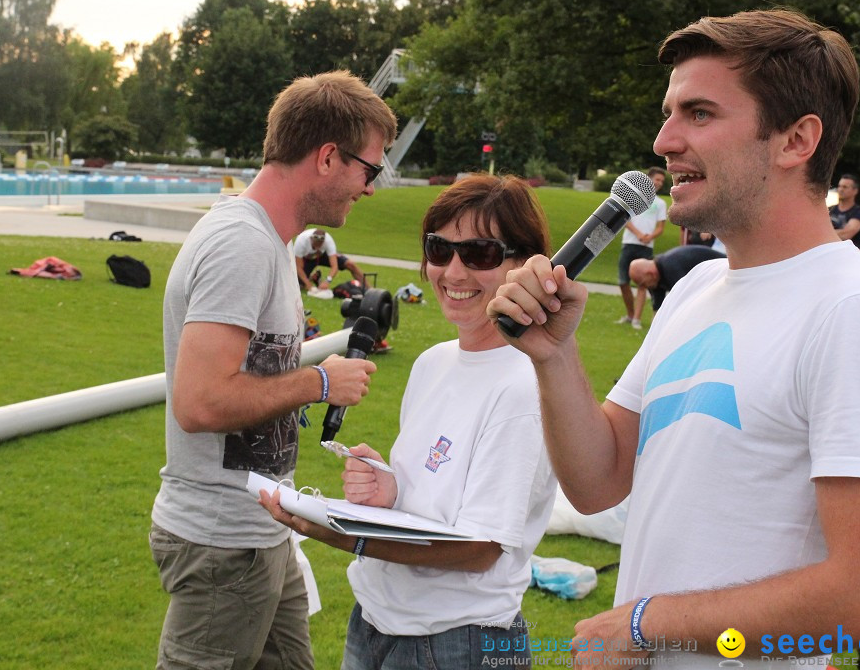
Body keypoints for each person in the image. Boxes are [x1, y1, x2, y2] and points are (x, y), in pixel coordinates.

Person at [489, 9, 860, 667]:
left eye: (699, 113)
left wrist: (646, 625)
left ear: (795, 140)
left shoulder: (857, 310)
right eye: (670, 113)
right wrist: (555, 356)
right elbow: (599, 480)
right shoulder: (698, 289)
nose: (664, 141)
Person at [149, 70, 397, 670]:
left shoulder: (270, 241)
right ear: (329, 157)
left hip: (262, 534)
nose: (370, 188)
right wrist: (319, 382)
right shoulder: (243, 244)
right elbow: (200, 402)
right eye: (370, 169)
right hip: (222, 545)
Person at [260, 174, 558, 669]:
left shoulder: (524, 385)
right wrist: (391, 488)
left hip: (457, 641)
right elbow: (436, 500)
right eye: (439, 250)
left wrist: (343, 533)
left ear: (525, 265)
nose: (453, 272)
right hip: (376, 619)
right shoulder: (433, 362)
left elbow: (481, 548)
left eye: (480, 253)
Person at [616, 167, 668, 329]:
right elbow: (624, 219)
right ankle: (630, 314)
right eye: (657, 179)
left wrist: (649, 237)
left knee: (642, 284)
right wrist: (638, 233)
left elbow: (660, 227)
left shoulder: (660, 203)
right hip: (629, 243)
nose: (659, 183)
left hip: (646, 247)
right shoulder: (633, 198)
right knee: (623, 281)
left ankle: (637, 319)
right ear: (648, 179)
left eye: (662, 181)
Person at [628, 244, 726, 313]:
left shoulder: (671, 268)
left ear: (650, 274)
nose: (644, 287)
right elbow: (658, 310)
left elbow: (687, 300)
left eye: (643, 283)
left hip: (723, 269)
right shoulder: (655, 279)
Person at [294, 228, 366, 291]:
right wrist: (308, 284)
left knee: (350, 264)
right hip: (306, 258)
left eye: (320, 245)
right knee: (300, 285)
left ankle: (369, 289)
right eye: (315, 246)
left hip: (323, 256)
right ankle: (313, 277)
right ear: (311, 240)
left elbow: (335, 266)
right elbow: (299, 267)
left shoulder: (328, 240)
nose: (317, 248)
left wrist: (327, 281)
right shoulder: (301, 241)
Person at [830, 173, 860, 258]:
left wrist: (820, 234)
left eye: (845, 187)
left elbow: (846, 234)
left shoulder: (859, 214)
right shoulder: (830, 210)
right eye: (839, 186)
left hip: (850, 258)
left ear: (855, 191)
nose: (840, 189)